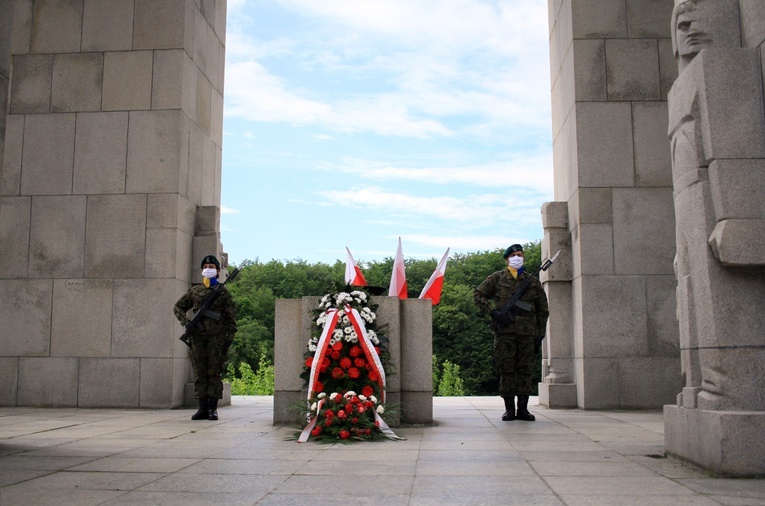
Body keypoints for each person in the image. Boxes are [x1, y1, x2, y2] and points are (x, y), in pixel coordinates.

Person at [474, 244, 549, 422]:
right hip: (505, 333)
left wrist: (540, 334)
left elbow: (542, 309)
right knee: (506, 370)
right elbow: (478, 295)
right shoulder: (497, 278)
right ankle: (509, 410)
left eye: (520, 255)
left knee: (525, 371)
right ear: (507, 259)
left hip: (527, 334)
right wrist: (493, 312)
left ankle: (523, 409)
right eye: (514, 255)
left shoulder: (531, 281)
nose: (517, 258)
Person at [174, 255, 237, 421]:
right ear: (203, 270)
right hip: (197, 339)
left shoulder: (223, 293)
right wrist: (186, 321)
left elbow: (231, 319)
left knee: (214, 372)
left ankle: (212, 409)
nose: (209, 268)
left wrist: (227, 340)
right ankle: (202, 407)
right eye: (206, 266)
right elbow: (178, 307)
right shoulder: (195, 291)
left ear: (217, 271)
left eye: (212, 266)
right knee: (200, 372)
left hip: (216, 340)